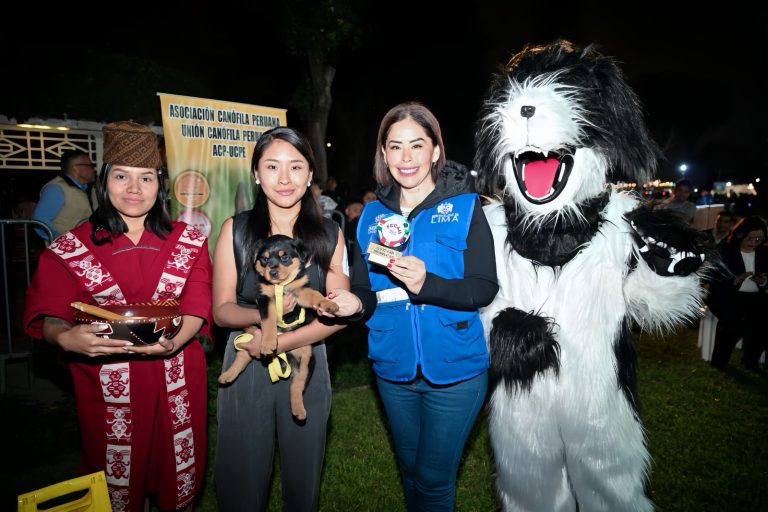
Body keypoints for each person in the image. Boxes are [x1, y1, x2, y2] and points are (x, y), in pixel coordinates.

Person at [23, 121, 213, 512]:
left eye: (146, 178)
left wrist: (174, 341)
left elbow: (196, 307)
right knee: (116, 485)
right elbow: (50, 312)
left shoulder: (189, 240)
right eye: (122, 177)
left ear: (159, 185)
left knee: (179, 479)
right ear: (103, 182)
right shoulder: (71, 247)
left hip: (175, 373)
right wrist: (64, 337)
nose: (133, 189)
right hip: (105, 384)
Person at [321, 102, 499, 510]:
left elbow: (484, 288)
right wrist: (354, 304)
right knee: (409, 468)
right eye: (395, 146)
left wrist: (427, 284)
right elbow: (368, 291)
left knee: (434, 480)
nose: (406, 158)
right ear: (383, 153)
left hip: (455, 370)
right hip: (393, 368)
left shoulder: (466, 208)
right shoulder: (370, 216)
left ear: (436, 151)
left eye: (417, 146)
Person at [213, 126, 349, 511]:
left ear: (310, 176)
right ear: (256, 173)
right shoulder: (235, 230)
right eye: (272, 166)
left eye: (296, 167)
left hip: (308, 358)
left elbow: (337, 312)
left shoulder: (331, 234)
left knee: (303, 477)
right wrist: (264, 320)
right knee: (240, 476)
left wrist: (281, 340)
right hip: (247, 356)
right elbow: (222, 309)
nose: (285, 179)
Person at [707, 216, 768, 372]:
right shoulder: (726, 250)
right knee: (734, 323)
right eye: (750, 238)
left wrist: (763, 281)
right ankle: (719, 361)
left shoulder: (763, 252)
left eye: (759, 239)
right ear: (741, 234)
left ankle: (750, 361)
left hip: (754, 296)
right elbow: (713, 275)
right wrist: (735, 279)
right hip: (726, 294)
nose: (754, 242)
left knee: (764, 323)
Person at [32, 149, 98, 241]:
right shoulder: (56, 188)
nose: (93, 169)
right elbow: (39, 221)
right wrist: (61, 241)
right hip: (68, 251)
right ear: (75, 168)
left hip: (88, 245)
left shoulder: (90, 189)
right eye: (90, 166)